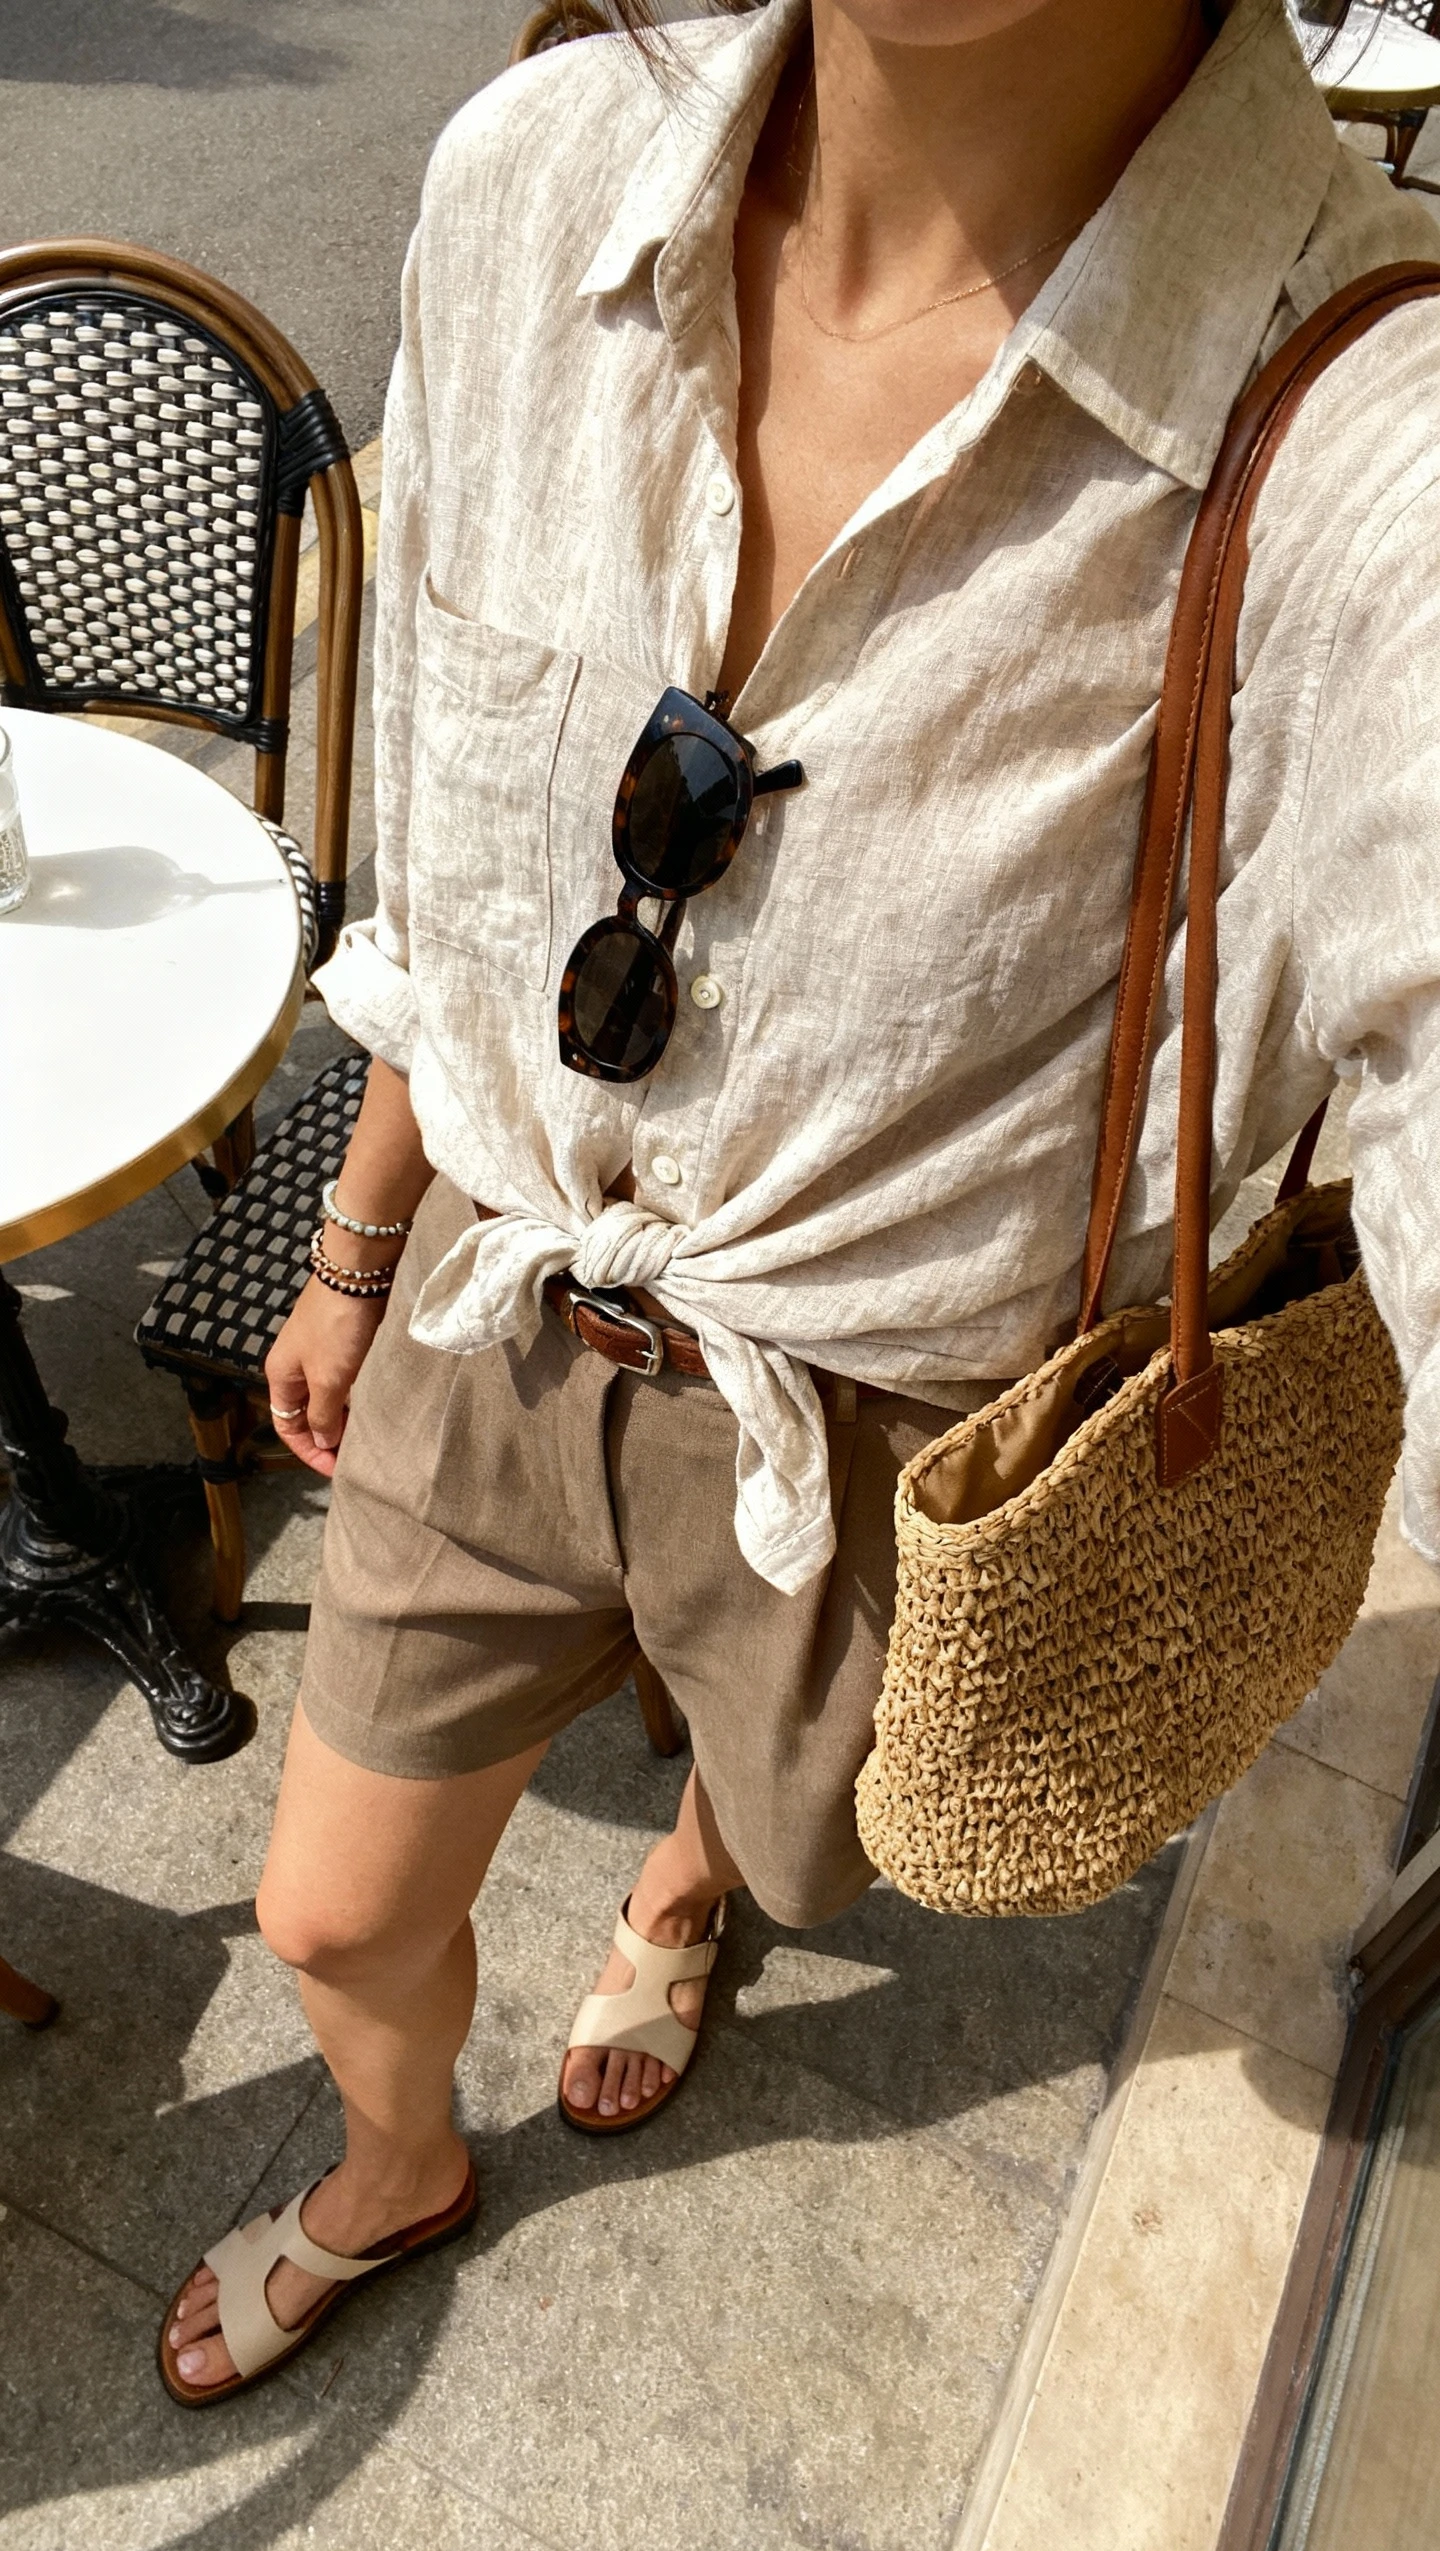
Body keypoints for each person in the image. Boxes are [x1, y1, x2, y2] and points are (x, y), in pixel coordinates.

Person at [159, 0, 1440, 2402]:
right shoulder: (540, 180)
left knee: (765, 1818)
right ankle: (399, 2153)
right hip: (498, 1307)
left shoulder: (1365, 427)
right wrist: (354, 1241)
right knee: (330, 1905)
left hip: (874, 1436)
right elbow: (459, 877)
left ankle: (686, 1883)